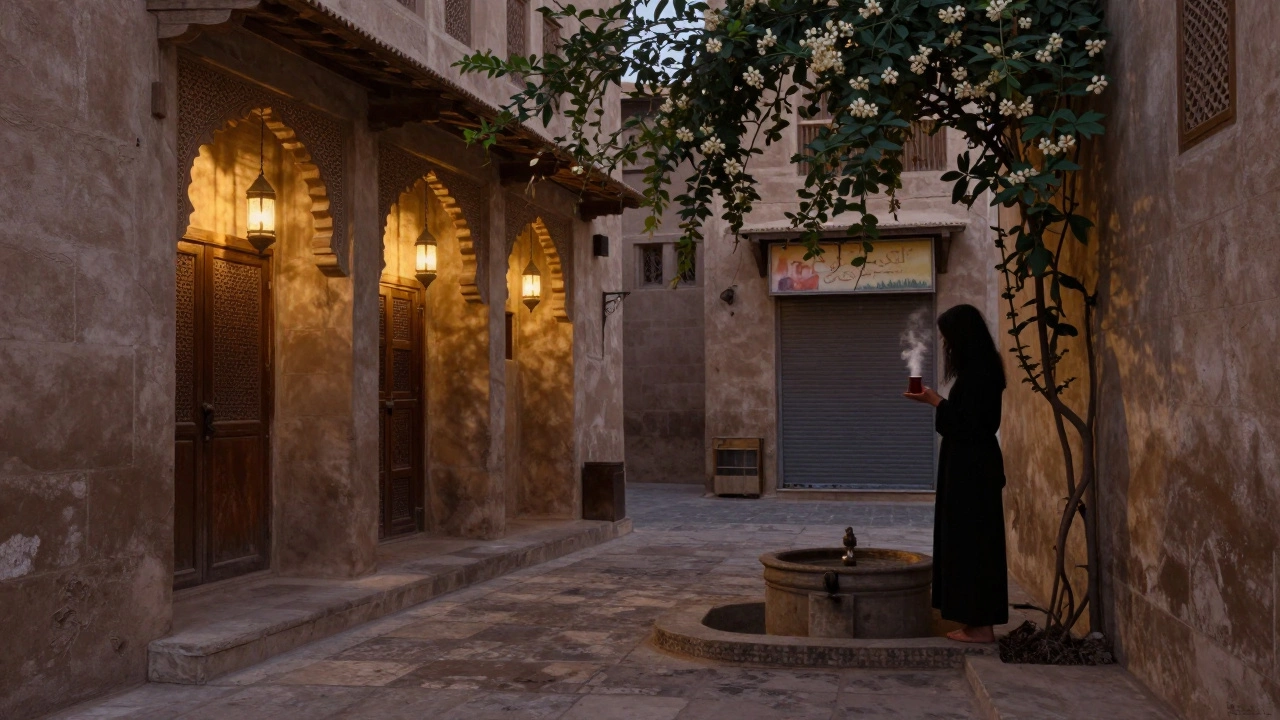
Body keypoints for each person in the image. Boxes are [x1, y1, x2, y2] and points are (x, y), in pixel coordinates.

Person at [904, 304, 1008, 643]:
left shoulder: (980, 374)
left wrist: (936, 402)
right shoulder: (983, 369)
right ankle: (977, 622)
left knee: (972, 544)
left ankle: (979, 626)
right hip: (969, 468)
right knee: (970, 543)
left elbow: (973, 425)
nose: (946, 345)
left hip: (972, 472)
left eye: (949, 338)